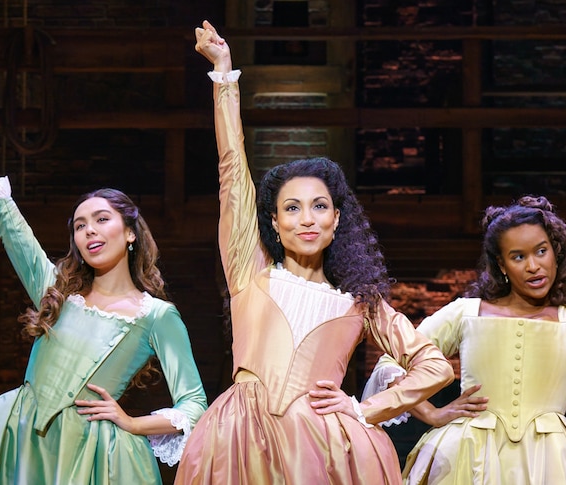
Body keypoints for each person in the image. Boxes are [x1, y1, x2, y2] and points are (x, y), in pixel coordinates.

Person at [175, 21, 454, 484]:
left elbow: (435, 365)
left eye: (319, 206)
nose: (307, 218)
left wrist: (366, 407)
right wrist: (223, 75)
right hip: (241, 440)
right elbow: (231, 170)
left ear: (337, 220)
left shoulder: (359, 301)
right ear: (275, 223)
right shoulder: (251, 271)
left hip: (320, 447)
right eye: (292, 208)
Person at [365, 121, 566, 484]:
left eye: (541, 251)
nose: (533, 265)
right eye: (518, 257)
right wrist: (433, 413)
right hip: (465, 462)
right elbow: (396, 362)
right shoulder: (466, 313)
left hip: (550, 467)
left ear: (555, 252)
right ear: (501, 265)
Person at [0, 102, 208, 485]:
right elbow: (4, 211)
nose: (89, 231)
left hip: (90, 453)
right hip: (20, 436)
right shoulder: (56, 288)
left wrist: (133, 423)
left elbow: (195, 403)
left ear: (131, 232)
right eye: (79, 225)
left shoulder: (155, 315)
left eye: (102, 220)